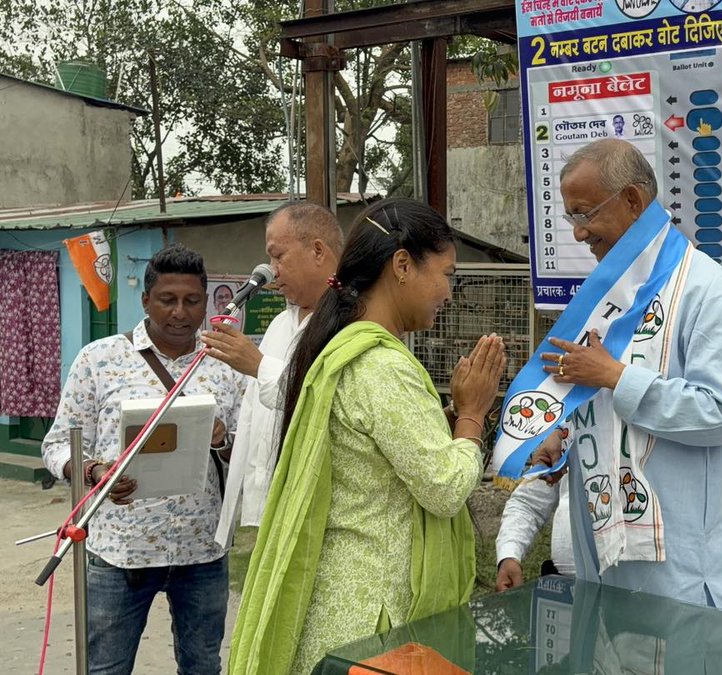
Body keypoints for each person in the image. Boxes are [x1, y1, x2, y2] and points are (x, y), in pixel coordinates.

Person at [228, 198, 507, 675]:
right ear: (402, 265)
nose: (448, 292)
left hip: (343, 604)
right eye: (446, 274)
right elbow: (443, 488)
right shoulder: (382, 364)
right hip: (375, 617)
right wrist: (472, 416)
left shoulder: (343, 344)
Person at [528, 138, 722, 616]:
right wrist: (565, 432)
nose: (578, 234)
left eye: (585, 214)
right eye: (571, 219)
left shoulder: (706, 289)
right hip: (607, 572)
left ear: (633, 201)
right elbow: (605, 405)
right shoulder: (608, 295)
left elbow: (720, 413)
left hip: (684, 579)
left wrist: (618, 378)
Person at [41, 243, 244, 675]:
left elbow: (248, 456)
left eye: (192, 301)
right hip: (119, 554)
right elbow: (56, 446)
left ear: (206, 303)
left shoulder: (226, 365)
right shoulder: (99, 361)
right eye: (167, 300)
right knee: (106, 668)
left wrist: (224, 439)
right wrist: (97, 472)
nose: (179, 313)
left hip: (202, 551)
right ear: (145, 300)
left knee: (203, 666)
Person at [203, 203, 342, 546]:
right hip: (277, 507)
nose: (271, 271)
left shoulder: (352, 319)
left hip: (326, 510)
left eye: (278, 256)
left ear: (318, 251)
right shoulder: (281, 323)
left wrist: (257, 365)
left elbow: (330, 401)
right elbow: (254, 417)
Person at [494, 477, 574, 591]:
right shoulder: (562, 459)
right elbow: (527, 503)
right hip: (563, 588)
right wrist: (509, 554)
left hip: (607, 586)